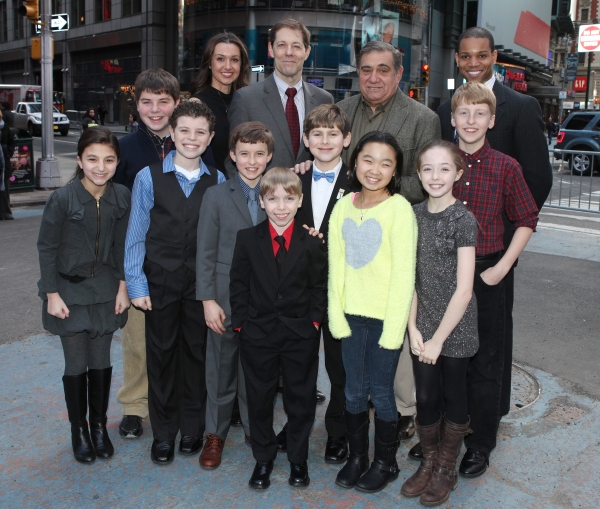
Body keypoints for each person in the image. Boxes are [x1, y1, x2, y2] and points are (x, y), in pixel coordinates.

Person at [433, 26, 551, 473]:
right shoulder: (448, 107)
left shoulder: (520, 106)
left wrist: (503, 254)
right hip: (447, 260)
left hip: (492, 255)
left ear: (494, 56)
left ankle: (484, 433)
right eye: (465, 56)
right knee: (447, 349)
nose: (474, 62)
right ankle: (449, 428)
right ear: (459, 60)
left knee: (489, 350)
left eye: (482, 54)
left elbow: (536, 182)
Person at [336, 41, 440, 437]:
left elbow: (426, 177)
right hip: (351, 228)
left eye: (383, 69)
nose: (373, 77)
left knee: (395, 326)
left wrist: (383, 189)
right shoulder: (342, 112)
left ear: (399, 74)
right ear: (357, 72)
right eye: (366, 69)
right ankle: (355, 412)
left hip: (398, 230)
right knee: (353, 331)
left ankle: (401, 411)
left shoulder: (422, 118)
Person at [125, 101, 225, 465]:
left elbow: (220, 239)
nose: (192, 138)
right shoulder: (148, 177)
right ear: (172, 132)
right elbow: (136, 234)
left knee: (197, 356)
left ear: (210, 137)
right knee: (162, 356)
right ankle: (164, 432)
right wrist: (136, 284)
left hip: (201, 288)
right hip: (160, 283)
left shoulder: (218, 180)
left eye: (201, 132)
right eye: (184, 130)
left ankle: (192, 428)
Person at [451, 82, 538, 477]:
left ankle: (480, 443)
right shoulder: (438, 161)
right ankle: (443, 434)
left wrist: (502, 267)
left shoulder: (506, 166)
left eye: (479, 113)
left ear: (492, 119)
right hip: (443, 273)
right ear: (452, 118)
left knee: (486, 362)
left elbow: (526, 218)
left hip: (487, 273)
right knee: (445, 362)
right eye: (463, 113)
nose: (471, 121)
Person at [328, 131, 417, 493]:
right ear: (355, 161)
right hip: (350, 317)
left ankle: (385, 462)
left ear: (395, 171)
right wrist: (336, 315)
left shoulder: (399, 209)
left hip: (385, 320)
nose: (375, 169)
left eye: (386, 163)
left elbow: (404, 275)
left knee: (381, 393)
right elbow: (336, 267)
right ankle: (357, 457)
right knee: (352, 392)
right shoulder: (343, 206)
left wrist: (395, 329)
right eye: (368, 159)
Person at [36, 127, 131, 463]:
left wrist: (123, 287)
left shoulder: (122, 196)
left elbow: (123, 247)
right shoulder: (62, 199)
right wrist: (51, 294)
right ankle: (78, 430)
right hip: (69, 293)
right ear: (79, 160)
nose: (100, 167)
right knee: (76, 363)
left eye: (108, 159)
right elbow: (46, 247)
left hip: (105, 290)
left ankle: (99, 427)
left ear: (117, 162)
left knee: (101, 360)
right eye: (92, 159)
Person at [229, 167, 327, 490]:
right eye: (272, 199)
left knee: (300, 399)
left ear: (300, 201)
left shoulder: (311, 242)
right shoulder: (247, 239)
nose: (281, 206)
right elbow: (238, 284)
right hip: (258, 334)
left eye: (288, 198)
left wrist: (314, 322)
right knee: (259, 398)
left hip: (300, 334)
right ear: (261, 202)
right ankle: (264, 457)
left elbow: (319, 287)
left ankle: (298, 458)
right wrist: (242, 324)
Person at [400, 140, 478, 506]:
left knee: (454, 395)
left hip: (456, 327)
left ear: (458, 174)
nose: (435, 176)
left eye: (444, 168)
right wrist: (414, 329)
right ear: (418, 173)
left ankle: (447, 466)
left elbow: (464, 290)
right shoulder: (412, 216)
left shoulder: (463, 220)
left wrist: (438, 340)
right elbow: (409, 281)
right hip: (422, 323)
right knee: (426, 395)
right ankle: (429, 461)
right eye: (428, 168)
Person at [196, 121, 274, 469]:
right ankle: (215, 435)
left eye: (259, 154)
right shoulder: (216, 196)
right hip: (225, 301)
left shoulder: (278, 193)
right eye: (244, 154)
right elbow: (206, 253)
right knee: (221, 368)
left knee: (258, 369)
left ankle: (257, 428)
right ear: (232, 155)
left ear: (269, 157)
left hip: (264, 301)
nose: (252, 161)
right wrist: (208, 300)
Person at [113, 68, 181, 440]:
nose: (155, 109)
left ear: (176, 103)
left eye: (163, 101)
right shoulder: (122, 150)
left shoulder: (189, 142)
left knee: (178, 338)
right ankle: (135, 406)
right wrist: (122, 275)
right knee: (137, 339)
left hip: (178, 258)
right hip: (137, 260)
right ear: (136, 104)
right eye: (147, 101)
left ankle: (177, 401)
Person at [294, 103, 354, 464]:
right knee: (298, 365)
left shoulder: (359, 183)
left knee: (339, 367)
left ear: (346, 139)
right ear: (306, 139)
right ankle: (297, 427)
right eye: (317, 133)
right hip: (298, 289)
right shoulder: (292, 179)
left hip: (341, 291)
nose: (325, 140)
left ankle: (338, 433)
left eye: (333, 133)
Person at [227, 18, 333, 178]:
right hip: (262, 200)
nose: (289, 52)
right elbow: (233, 162)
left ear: (307, 52)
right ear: (271, 49)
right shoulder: (246, 99)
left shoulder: (324, 100)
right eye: (282, 45)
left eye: (296, 46)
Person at [190, 32, 250, 173]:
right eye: (220, 59)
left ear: (242, 64)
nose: (228, 66)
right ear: (209, 63)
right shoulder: (197, 104)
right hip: (211, 188)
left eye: (234, 60)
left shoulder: (247, 99)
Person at [0, 110, 14, 220]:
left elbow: (11, 142)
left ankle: (5, 211)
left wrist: (9, 152)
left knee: (4, 187)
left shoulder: (5, 127)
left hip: (4, 160)